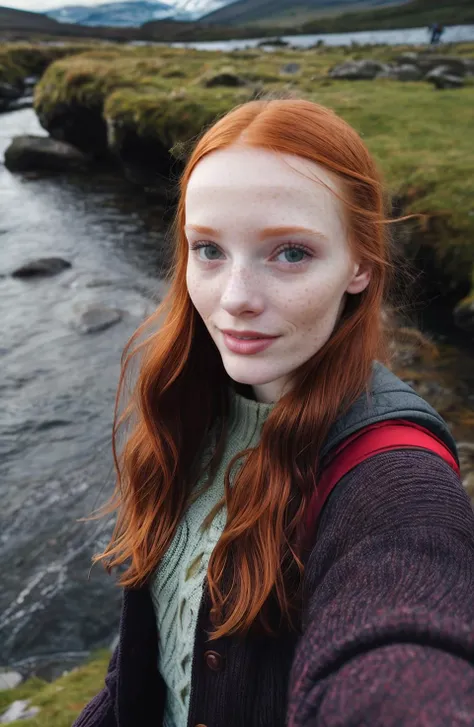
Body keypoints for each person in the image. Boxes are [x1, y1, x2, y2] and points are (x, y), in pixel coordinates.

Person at [73, 98, 474, 727]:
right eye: (208, 250)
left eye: (290, 253)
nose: (234, 300)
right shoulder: (188, 410)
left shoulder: (394, 482)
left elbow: (403, 638)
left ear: (361, 264)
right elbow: (147, 670)